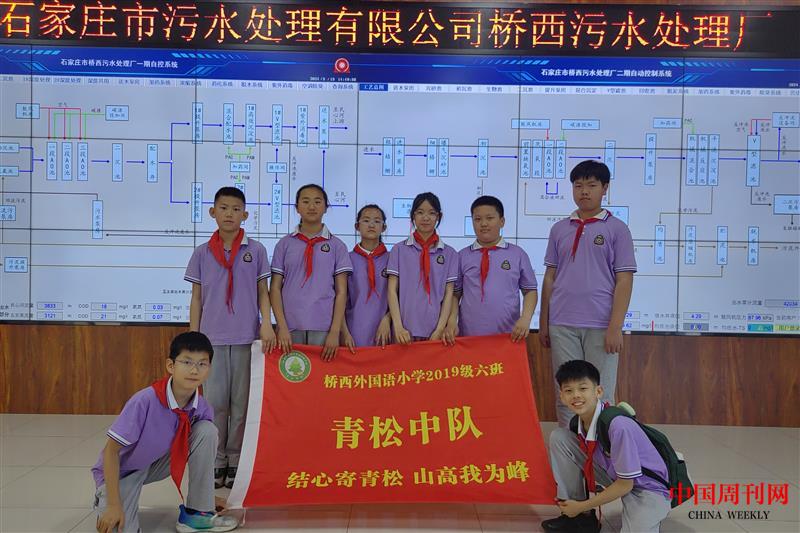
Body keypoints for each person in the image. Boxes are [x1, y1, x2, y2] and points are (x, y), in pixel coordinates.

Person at [91, 331, 238, 533]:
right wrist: (114, 505)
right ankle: (107, 499)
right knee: (118, 528)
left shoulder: (202, 407)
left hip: (155, 464)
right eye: (187, 362)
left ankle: (197, 513)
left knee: (207, 430)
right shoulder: (144, 401)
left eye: (202, 364)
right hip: (121, 472)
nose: (194, 370)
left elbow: (200, 450)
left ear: (209, 369)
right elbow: (111, 452)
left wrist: (206, 496)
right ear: (171, 365)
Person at [185, 186, 275, 489]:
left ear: (245, 215)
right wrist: (195, 337)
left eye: (236, 209)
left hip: (246, 338)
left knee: (241, 404)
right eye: (223, 208)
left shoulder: (256, 250)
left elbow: (263, 292)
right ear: (213, 212)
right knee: (214, 403)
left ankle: (236, 459)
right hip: (212, 339)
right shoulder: (202, 252)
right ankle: (216, 458)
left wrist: (267, 323)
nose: (229, 214)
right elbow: (196, 297)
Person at [539, 161, 636, 426]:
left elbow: (624, 279)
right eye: (578, 185)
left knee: (600, 392)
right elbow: (550, 277)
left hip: (601, 325)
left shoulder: (617, 229)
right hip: (562, 323)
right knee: (567, 392)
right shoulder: (559, 229)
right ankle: (571, 446)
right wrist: (544, 321)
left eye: (591, 185)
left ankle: (602, 447)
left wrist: (615, 326)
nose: (584, 191)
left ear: (605, 188)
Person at [543, 360, 670, 533]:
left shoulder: (618, 426)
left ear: (598, 391)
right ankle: (580, 519)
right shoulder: (577, 423)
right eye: (569, 391)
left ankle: (579, 510)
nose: (576, 395)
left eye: (583, 388)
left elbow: (626, 485)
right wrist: (580, 508)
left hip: (646, 487)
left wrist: (581, 506)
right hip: (616, 474)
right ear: (562, 397)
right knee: (560, 437)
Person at [270, 183, 352, 359]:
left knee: (322, 376)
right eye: (306, 201)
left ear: (326, 207)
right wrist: (281, 326)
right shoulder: (284, 244)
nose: (312, 206)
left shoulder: (337, 246)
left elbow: (341, 292)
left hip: (324, 327)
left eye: (317, 201)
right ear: (297, 207)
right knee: (293, 374)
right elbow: (275, 288)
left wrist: (335, 331)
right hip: (290, 328)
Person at [447, 195, 537, 341]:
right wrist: (452, 321)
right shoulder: (462, 256)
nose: (483, 224)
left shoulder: (517, 254)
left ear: (502, 221)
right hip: (469, 337)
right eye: (477, 219)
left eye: (489, 218)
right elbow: (455, 294)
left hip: (509, 337)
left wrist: (525, 319)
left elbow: (530, 291)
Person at [386, 192, 458, 344]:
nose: (425, 218)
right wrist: (398, 327)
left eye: (431, 213)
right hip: (403, 332)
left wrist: (439, 329)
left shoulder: (450, 253)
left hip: (435, 333)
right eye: (420, 212)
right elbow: (392, 290)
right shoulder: (399, 250)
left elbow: (449, 294)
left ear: (438, 216)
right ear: (413, 215)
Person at [342, 204, 392, 348]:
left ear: (384, 227)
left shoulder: (392, 259)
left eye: (377, 221)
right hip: (353, 332)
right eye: (366, 220)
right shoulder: (347, 259)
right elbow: (339, 299)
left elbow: (401, 297)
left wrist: (388, 319)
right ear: (357, 226)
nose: (371, 225)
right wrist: (344, 332)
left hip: (385, 332)